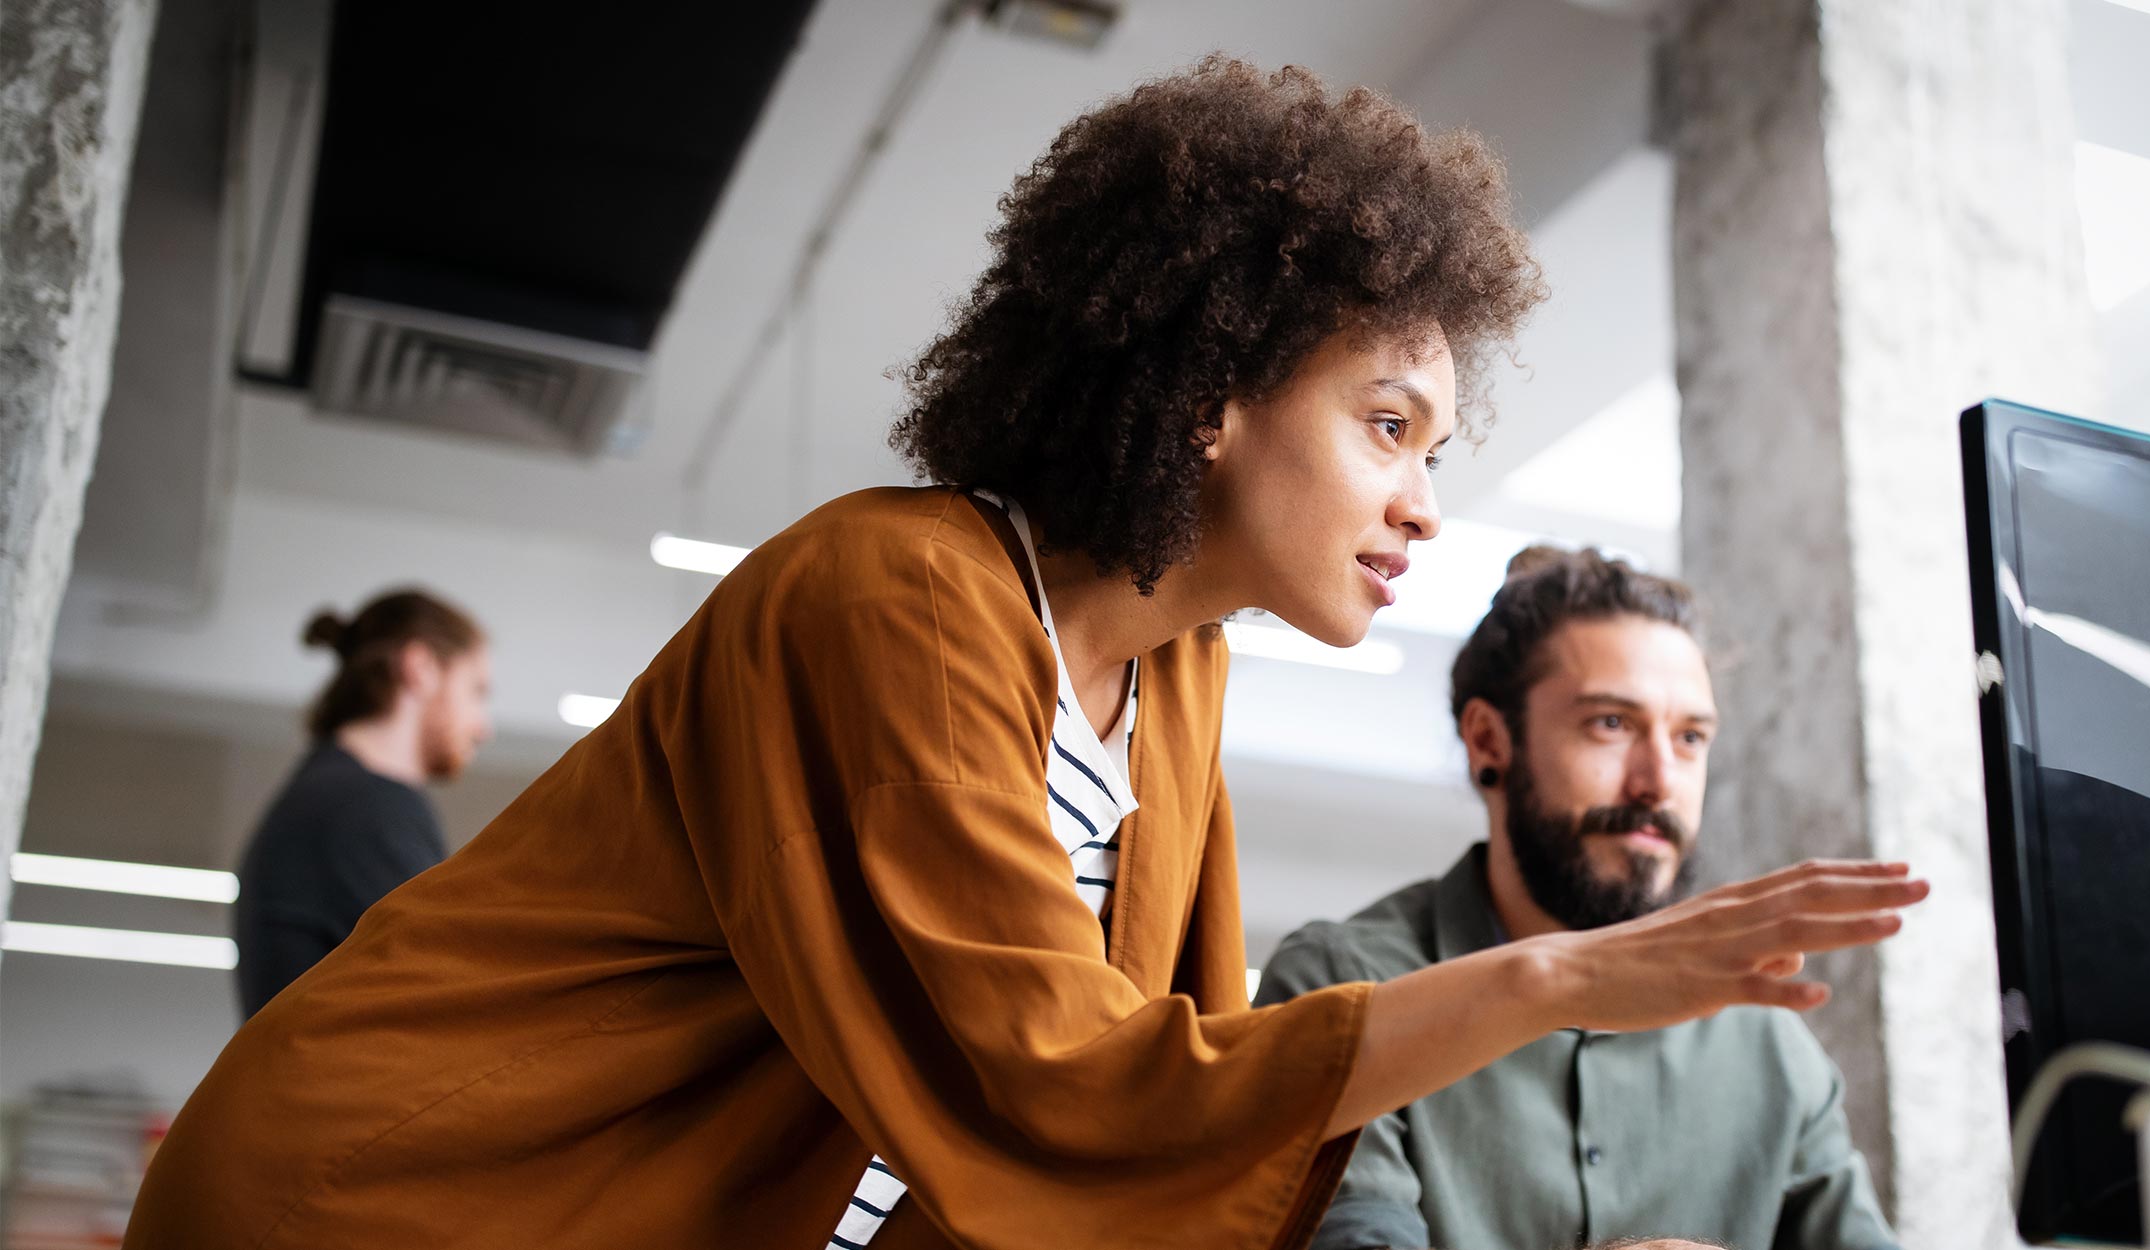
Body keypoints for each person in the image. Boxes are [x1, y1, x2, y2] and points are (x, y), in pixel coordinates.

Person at [127, 60, 1925, 1250]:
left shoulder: (1180, 673)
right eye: (1387, 423)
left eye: (1434, 451)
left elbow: (1156, 1091)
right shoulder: (894, 597)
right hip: (399, 1204)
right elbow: (1065, 1084)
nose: (1417, 503)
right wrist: (1549, 989)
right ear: (1211, 396)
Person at [1257, 548, 1899, 1250]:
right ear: (1488, 741)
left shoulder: (1767, 1039)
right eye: (1611, 725)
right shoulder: (1341, 987)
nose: (1658, 782)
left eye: (1690, 738)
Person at [233, 590, 494, 1017]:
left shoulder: (330, 795)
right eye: (476, 691)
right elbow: (452, 995)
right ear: (421, 667)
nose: (483, 728)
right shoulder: (365, 805)